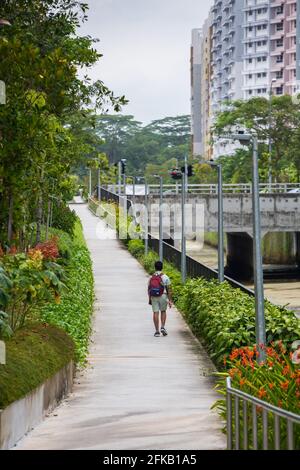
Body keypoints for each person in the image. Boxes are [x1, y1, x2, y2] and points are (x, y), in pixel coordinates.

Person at [148, 260, 172, 337]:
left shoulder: (151, 277)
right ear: (162, 267)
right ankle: (162, 327)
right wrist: (170, 300)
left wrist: (150, 299)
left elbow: (149, 288)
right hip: (163, 296)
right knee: (163, 311)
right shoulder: (165, 277)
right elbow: (169, 289)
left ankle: (157, 331)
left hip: (154, 296)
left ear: (155, 267)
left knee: (155, 312)